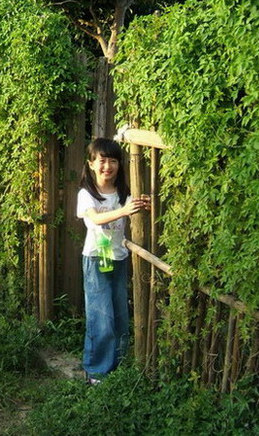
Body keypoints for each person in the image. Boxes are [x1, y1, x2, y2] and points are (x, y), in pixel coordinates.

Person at [76, 137, 150, 385]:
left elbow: (133, 209)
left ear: (119, 164)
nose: (107, 166)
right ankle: (96, 371)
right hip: (96, 258)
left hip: (117, 258)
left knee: (119, 315)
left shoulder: (124, 193)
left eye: (113, 160)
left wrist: (142, 205)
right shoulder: (86, 194)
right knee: (101, 317)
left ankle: (116, 366)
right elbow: (95, 220)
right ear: (91, 163)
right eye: (102, 160)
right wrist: (124, 211)